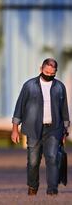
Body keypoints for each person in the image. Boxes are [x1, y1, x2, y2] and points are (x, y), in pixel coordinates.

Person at [11, 58, 69, 196]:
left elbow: (64, 110)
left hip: (54, 129)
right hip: (33, 128)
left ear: (56, 72)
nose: (48, 75)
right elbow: (19, 107)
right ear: (41, 69)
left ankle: (52, 190)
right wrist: (15, 129)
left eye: (52, 73)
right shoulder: (29, 86)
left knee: (53, 158)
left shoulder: (60, 87)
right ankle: (32, 187)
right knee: (33, 161)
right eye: (46, 72)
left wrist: (65, 131)